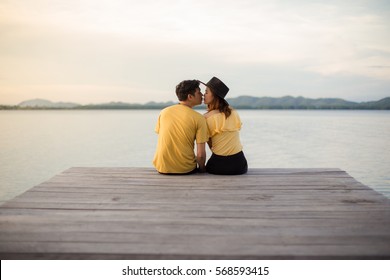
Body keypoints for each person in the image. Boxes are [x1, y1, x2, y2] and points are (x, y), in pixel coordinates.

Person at [153, 80, 209, 174]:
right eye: (199, 92)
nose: (202, 95)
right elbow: (200, 155)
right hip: (185, 169)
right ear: (190, 97)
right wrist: (202, 169)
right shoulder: (199, 118)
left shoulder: (164, 112)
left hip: (161, 168)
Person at [200, 76, 248, 175]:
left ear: (215, 96)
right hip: (240, 165)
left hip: (218, 166)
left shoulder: (206, 118)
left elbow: (211, 146)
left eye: (206, 92)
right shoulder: (233, 112)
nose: (203, 95)